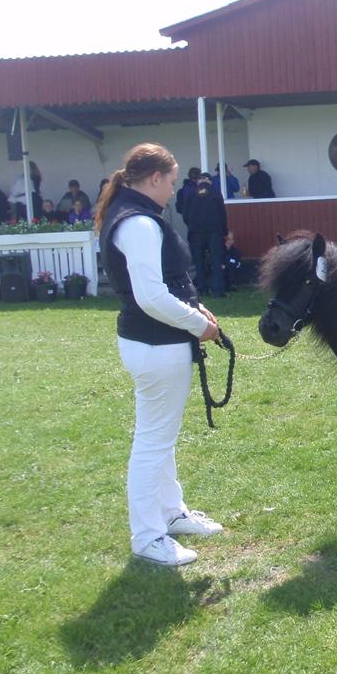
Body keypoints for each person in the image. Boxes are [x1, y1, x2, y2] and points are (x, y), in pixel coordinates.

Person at [95, 142, 224, 567]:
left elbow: (167, 285)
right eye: (171, 181)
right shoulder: (138, 223)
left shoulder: (133, 215)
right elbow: (150, 296)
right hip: (156, 344)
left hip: (155, 343)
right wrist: (198, 325)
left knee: (160, 437)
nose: (173, 189)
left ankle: (171, 513)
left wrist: (196, 310)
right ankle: (148, 535)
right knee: (153, 442)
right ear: (154, 178)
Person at [184, 173, 229, 296]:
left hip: (195, 232)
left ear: (199, 181)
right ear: (210, 181)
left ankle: (202, 289)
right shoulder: (215, 192)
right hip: (214, 232)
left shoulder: (191, 193)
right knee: (216, 261)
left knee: (198, 262)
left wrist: (191, 225)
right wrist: (224, 230)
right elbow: (222, 214)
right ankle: (218, 291)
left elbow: (185, 214)